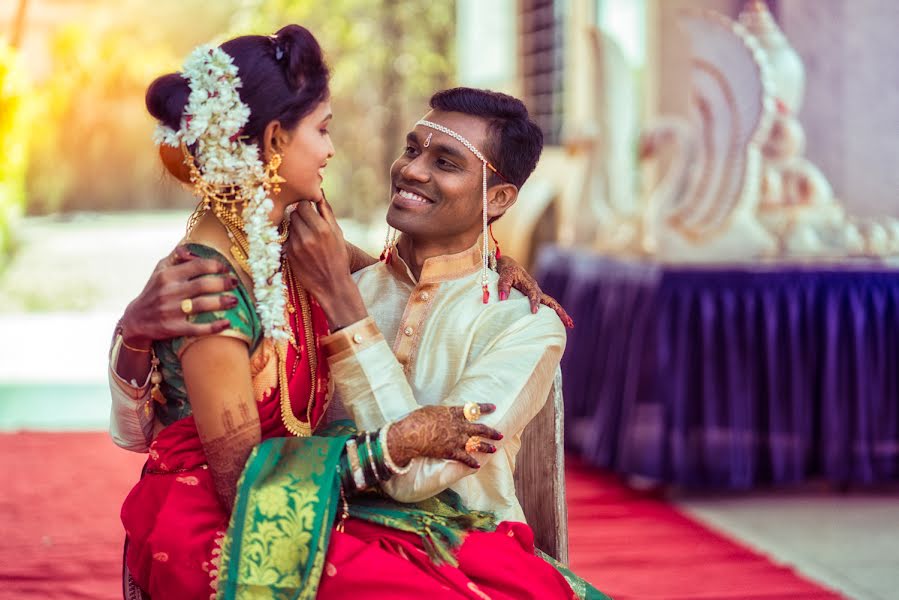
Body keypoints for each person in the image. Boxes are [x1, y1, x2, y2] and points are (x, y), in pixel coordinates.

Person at [112, 25, 606, 600]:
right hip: (291, 522)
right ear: (275, 141)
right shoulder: (264, 274)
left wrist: (488, 265)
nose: (412, 170)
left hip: (448, 529)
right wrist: (133, 333)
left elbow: (422, 477)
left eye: (445, 161)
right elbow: (177, 446)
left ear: (497, 199)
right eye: (412, 148)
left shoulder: (519, 320)